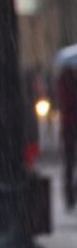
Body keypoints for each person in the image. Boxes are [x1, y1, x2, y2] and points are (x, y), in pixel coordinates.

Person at [57, 66, 77, 210]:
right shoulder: (65, 80)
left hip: (69, 125)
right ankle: (70, 194)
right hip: (70, 126)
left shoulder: (64, 79)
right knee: (69, 162)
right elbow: (66, 102)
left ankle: (71, 192)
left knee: (69, 162)